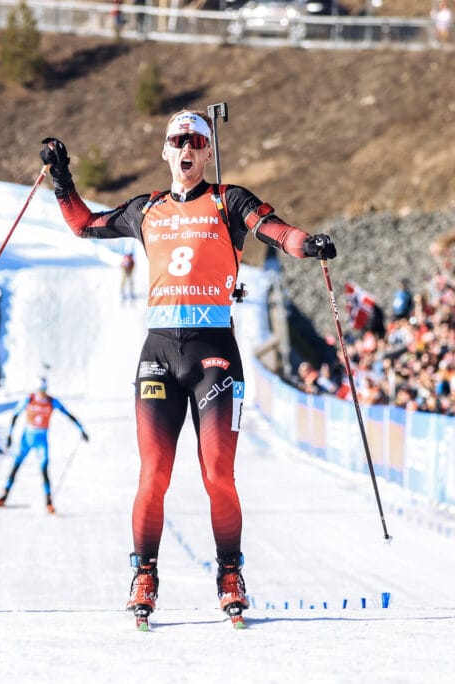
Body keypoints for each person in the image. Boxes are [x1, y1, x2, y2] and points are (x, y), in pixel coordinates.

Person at [39, 110, 337, 623]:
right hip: (158, 354)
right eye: (179, 140)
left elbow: (273, 229)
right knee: (154, 474)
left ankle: (229, 572)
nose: (188, 149)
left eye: (198, 141)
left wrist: (305, 243)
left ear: (207, 152)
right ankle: (145, 574)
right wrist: (61, 177)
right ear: (166, 151)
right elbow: (83, 225)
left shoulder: (228, 200)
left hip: (214, 355)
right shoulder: (146, 208)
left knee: (218, 473)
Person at [0, 376, 89, 514]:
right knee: (15, 466)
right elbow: (15, 415)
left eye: (43, 390)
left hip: (41, 440)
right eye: (39, 390)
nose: (41, 393)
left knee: (44, 469)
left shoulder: (52, 401)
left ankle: (49, 502)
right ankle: (3, 497)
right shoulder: (29, 399)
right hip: (27, 438)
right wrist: (10, 435)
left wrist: (81, 429)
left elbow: (68, 414)